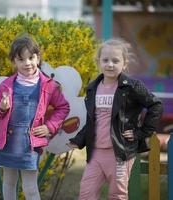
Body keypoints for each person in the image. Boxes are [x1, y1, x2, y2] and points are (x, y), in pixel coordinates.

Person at [68, 38, 163, 200]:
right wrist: (78, 139)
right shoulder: (92, 87)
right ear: (98, 62)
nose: (110, 64)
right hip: (96, 152)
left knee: (116, 195)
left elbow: (156, 106)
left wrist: (141, 133)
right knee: (86, 193)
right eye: (105, 60)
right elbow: (93, 120)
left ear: (124, 63)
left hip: (120, 152)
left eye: (115, 60)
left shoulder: (132, 86)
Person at [0, 34, 70, 200]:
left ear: (38, 58)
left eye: (31, 57)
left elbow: (63, 107)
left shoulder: (48, 85)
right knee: (9, 182)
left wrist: (49, 127)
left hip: (30, 144)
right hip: (8, 142)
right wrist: (2, 108)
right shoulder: (6, 85)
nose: (27, 63)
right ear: (14, 62)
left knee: (30, 188)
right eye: (21, 59)